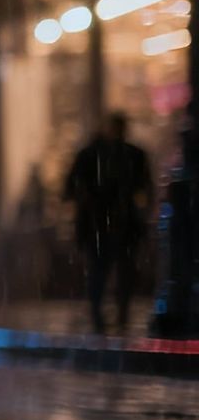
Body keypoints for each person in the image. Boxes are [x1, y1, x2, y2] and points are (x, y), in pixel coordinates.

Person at [63, 112, 153, 332]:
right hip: (108, 224)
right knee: (108, 271)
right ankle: (108, 315)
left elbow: (70, 189)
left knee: (109, 271)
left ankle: (108, 315)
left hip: (112, 224)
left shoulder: (98, 155)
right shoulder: (125, 155)